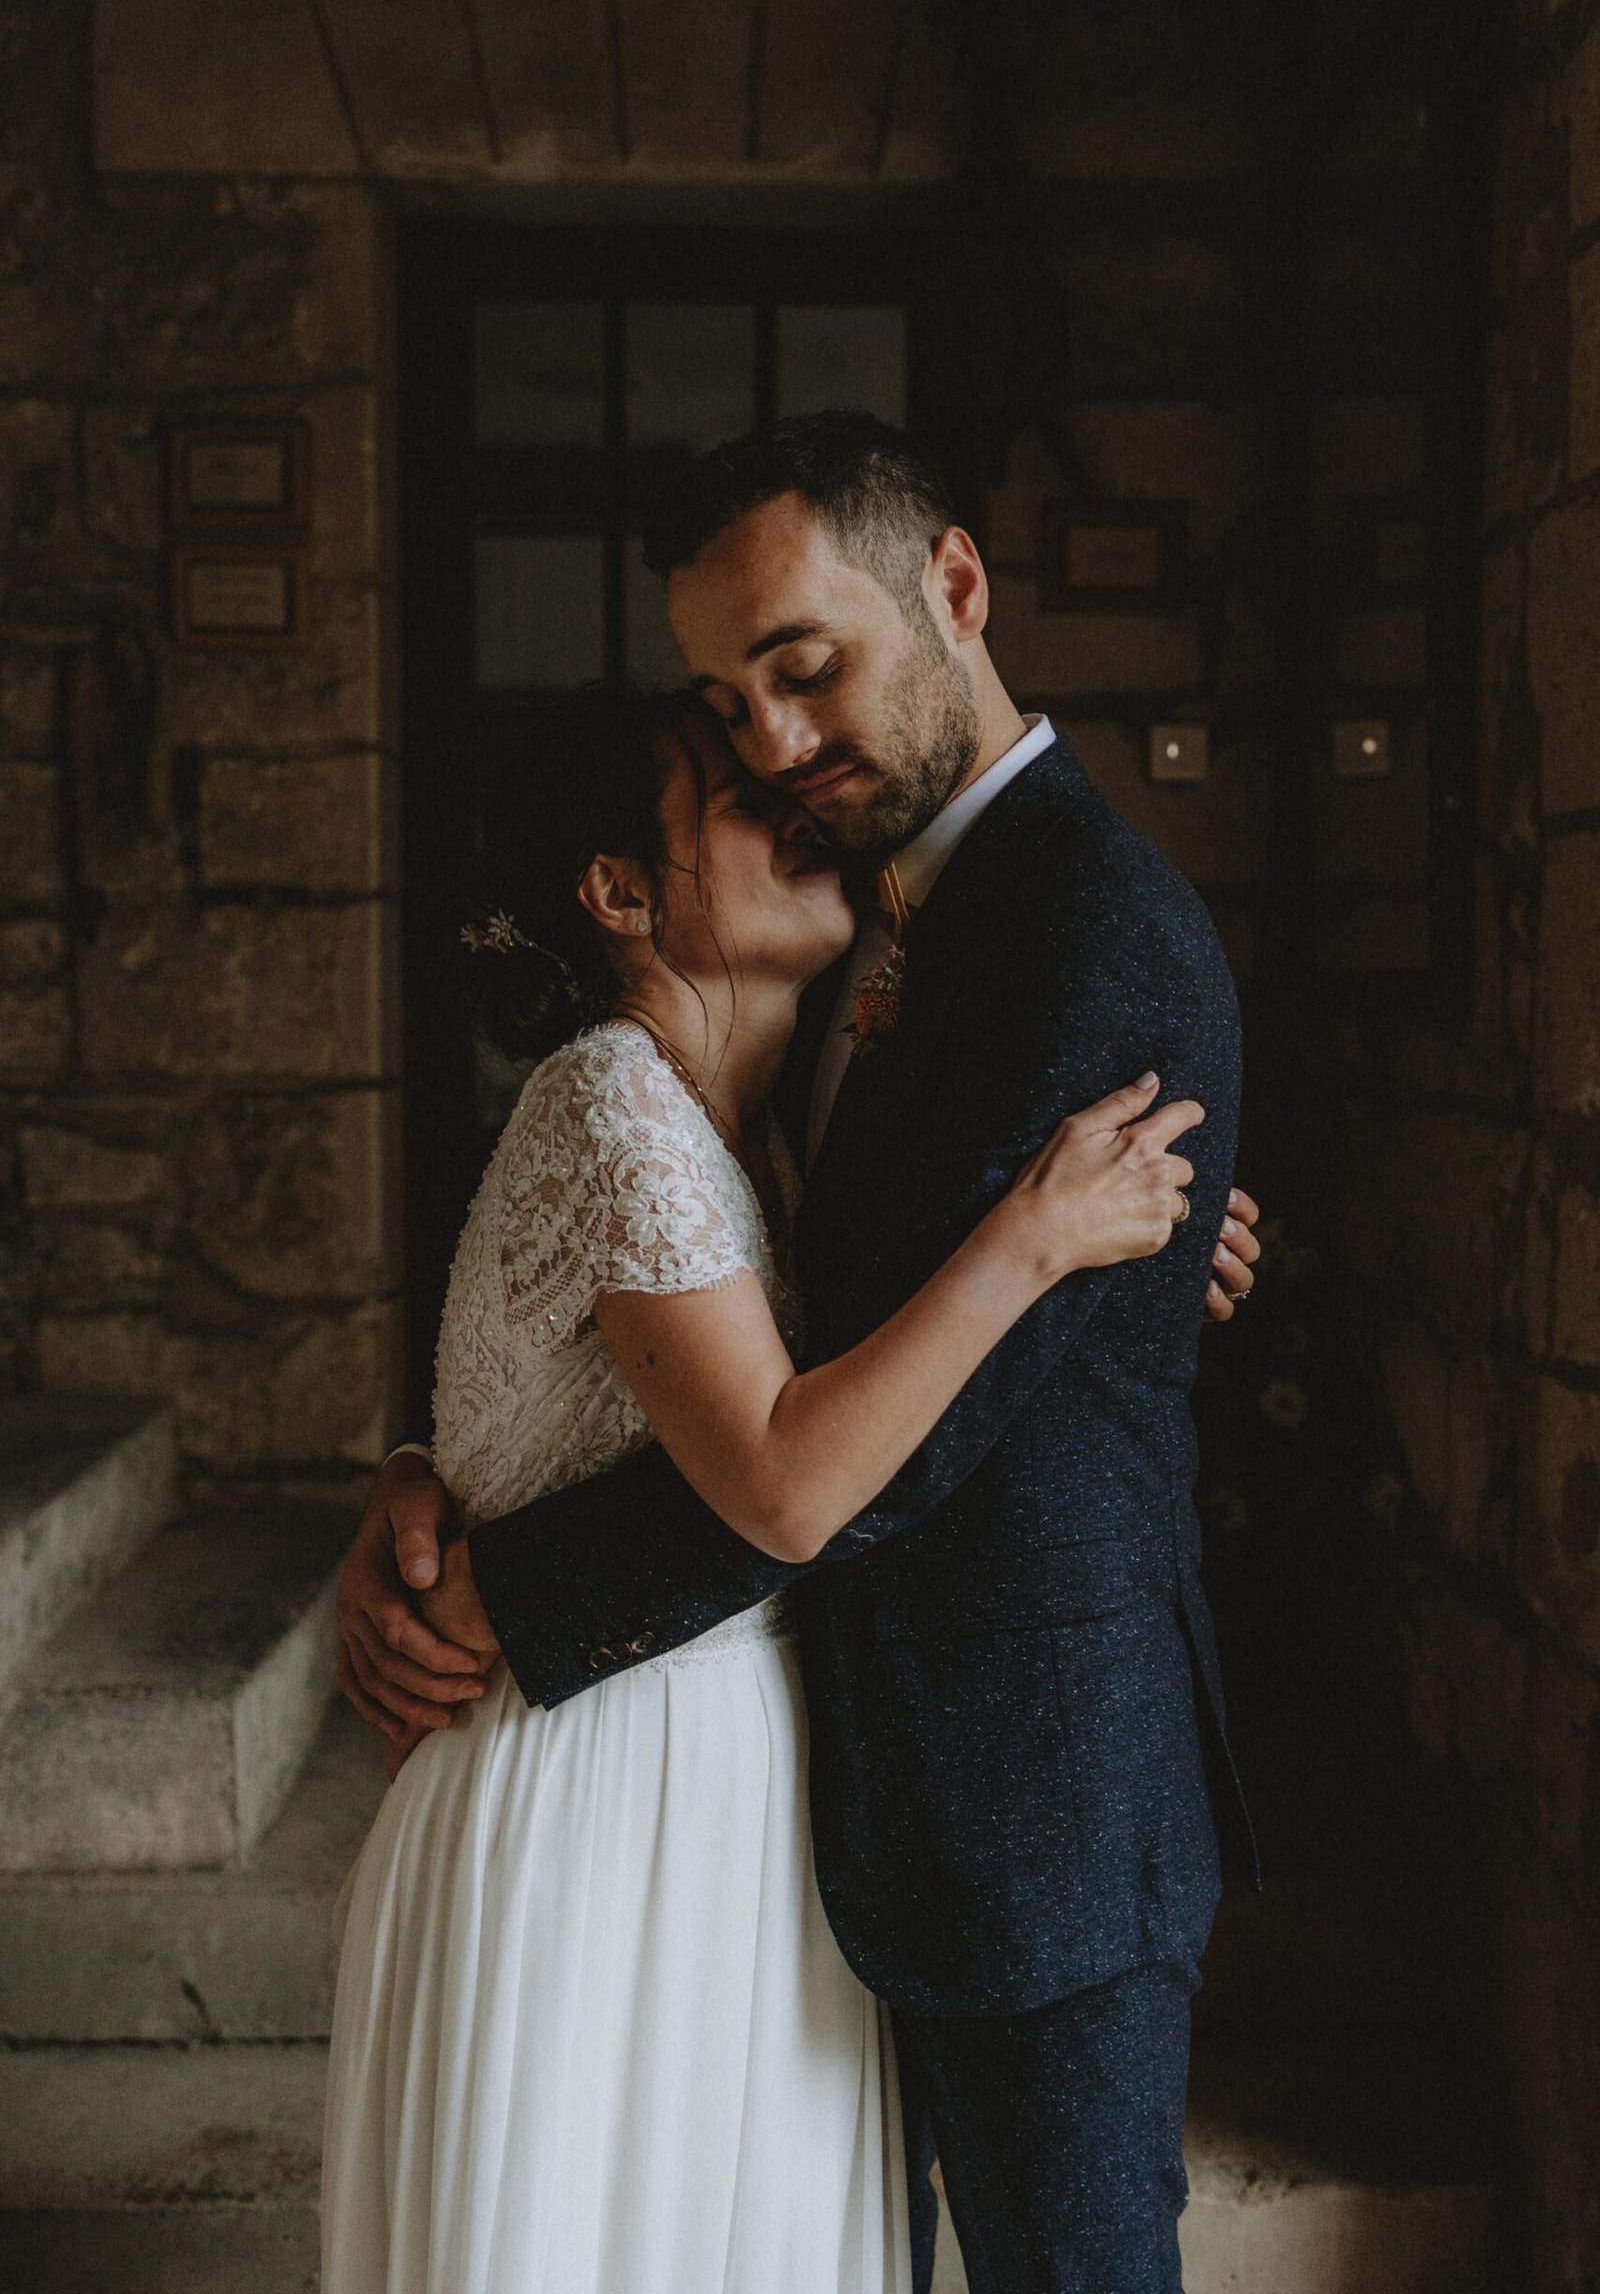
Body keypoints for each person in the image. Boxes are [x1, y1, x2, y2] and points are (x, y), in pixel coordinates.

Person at [337, 415, 1261, 2294]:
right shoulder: (837, 948)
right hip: (809, 1800)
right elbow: (754, 1311)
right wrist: (444, 1473)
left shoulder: (1080, 930)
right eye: (724, 705)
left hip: (1031, 1803)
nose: (769, 744)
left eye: (804, 666)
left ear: (957, 585)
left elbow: (888, 1446)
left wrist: (515, 1585)